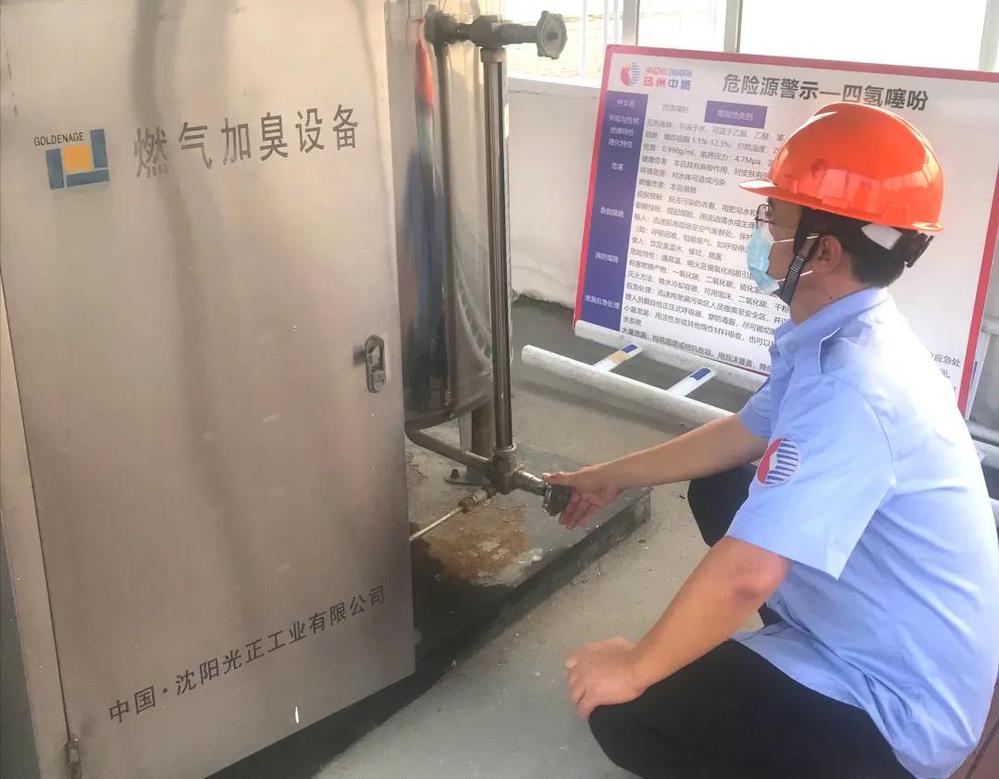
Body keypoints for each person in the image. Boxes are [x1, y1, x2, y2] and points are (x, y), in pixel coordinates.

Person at [545, 103, 999, 778]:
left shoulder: (853, 388)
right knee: (721, 486)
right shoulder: (843, 331)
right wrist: (611, 474)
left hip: (897, 711)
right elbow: (742, 433)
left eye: (775, 220)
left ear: (823, 251)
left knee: (626, 712)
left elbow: (748, 573)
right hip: (886, 630)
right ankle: (789, 649)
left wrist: (635, 665)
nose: (763, 236)